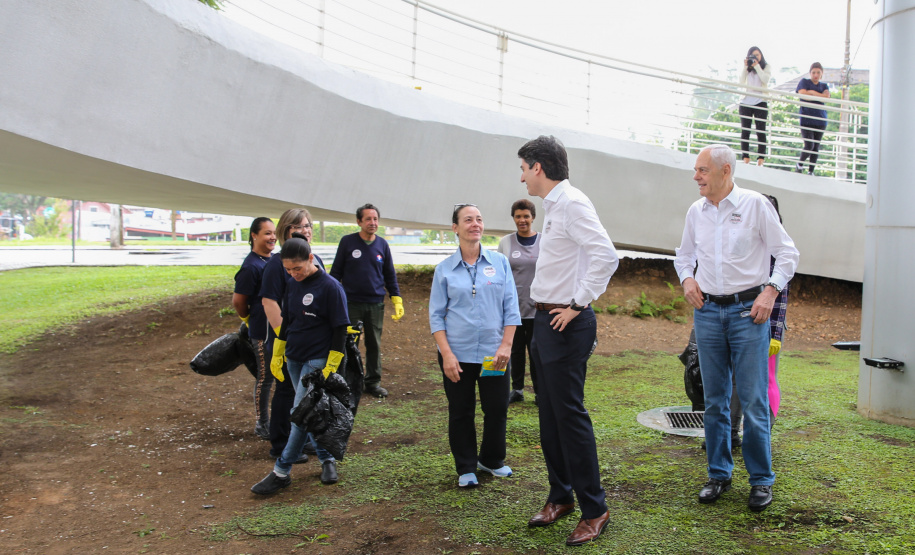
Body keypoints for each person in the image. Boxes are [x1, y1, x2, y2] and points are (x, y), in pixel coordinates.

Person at [674, 144, 799, 513]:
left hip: (750, 313)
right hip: (708, 313)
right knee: (714, 401)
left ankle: (761, 480)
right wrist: (687, 280)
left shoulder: (756, 205)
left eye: (702, 170)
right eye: (696, 170)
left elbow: (787, 253)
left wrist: (770, 293)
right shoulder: (696, 212)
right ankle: (718, 474)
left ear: (725, 171)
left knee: (754, 400)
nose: (696, 176)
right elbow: (683, 256)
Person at [518, 135, 619, 546]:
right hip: (544, 321)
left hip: (566, 322)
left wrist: (577, 304)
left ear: (538, 168)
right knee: (549, 416)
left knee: (569, 416)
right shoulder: (552, 206)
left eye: (523, 168)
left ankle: (595, 509)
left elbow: (606, 255)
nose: (521, 176)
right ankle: (561, 497)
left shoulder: (573, 203)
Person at [429, 204, 521, 488]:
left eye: (479, 219)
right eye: (468, 220)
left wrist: (506, 346)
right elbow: (436, 316)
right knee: (461, 410)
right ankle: (466, 467)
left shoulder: (499, 263)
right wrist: (446, 355)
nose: (475, 224)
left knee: (496, 408)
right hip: (457, 356)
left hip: (493, 354)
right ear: (455, 228)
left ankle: (492, 460)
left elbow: (511, 307)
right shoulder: (444, 270)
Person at [251, 233, 349, 494]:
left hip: (317, 359)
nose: (293, 273)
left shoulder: (330, 287)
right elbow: (289, 319)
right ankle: (327, 460)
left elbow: (340, 329)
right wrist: (278, 350)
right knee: (309, 412)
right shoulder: (293, 284)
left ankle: (281, 472)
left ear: (310, 258)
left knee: (299, 415)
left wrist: (331, 365)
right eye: (287, 269)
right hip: (294, 357)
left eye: (297, 267)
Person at [260, 209, 324, 461]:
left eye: (308, 225)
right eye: (299, 227)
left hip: (312, 341)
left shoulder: (314, 258)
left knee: (307, 392)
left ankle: (304, 440)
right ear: (286, 231)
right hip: (286, 341)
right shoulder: (277, 264)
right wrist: (284, 339)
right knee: (287, 391)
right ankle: (280, 443)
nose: (305, 230)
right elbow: (269, 302)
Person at [330, 203, 403, 398]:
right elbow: (335, 272)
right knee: (348, 343)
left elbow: (389, 274)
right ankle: (345, 381)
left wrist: (396, 297)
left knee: (374, 344)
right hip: (351, 303)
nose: (373, 223)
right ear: (359, 221)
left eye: (375, 219)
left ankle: (373, 382)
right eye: (368, 219)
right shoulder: (347, 242)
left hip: (375, 304)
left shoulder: (382, 245)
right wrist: (330, 296)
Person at [233, 217, 276, 440]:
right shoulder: (251, 266)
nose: (272, 237)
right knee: (265, 377)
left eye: (274, 233)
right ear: (254, 235)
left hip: (278, 327)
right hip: (261, 330)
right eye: (267, 233)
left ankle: (279, 419)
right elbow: (239, 302)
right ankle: (262, 423)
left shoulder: (274, 260)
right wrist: (249, 319)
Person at [497, 199, 540, 404]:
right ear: (513, 218)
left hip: (539, 308)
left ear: (533, 217)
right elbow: (499, 274)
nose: (522, 220)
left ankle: (540, 392)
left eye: (526, 216)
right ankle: (517, 389)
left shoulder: (545, 241)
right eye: (518, 216)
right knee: (515, 351)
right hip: (513, 308)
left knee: (537, 352)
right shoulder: (505, 242)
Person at [738, 46, 772, 166]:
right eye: (753, 55)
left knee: (760, 130)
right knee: (745, 130)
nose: (755, 57)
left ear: (761, 56)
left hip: (760, 100)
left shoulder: (765, 67)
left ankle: (761, 158)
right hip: (745, 101)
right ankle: (745, 157)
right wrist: (745, 67)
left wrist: (757, 66)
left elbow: (765, 80)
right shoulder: (747, 68)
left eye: (758, 55)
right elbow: (741, 81)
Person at [795, 62, 830, 175]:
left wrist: (812, 93)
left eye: (818, 72)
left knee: (816, 146)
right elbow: (803, 94)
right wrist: (817, 95)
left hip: (820, 119)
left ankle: (811, 171)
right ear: (810, 73)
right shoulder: (804, 82)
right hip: (806, 118)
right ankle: (800, 164)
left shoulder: (824, 86)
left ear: (821, 74)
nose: (815, 75)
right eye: (813, 72)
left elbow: (826, 97)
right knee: (809, 145)